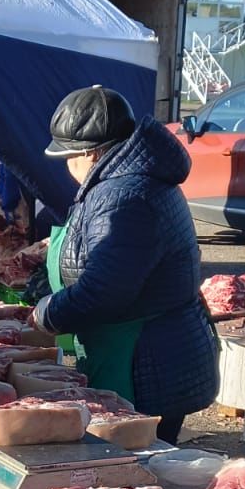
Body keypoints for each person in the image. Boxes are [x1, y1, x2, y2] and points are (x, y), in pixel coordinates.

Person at [32, 85, 218, 444]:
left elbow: (105, 289)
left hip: (145, 359)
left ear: (91, 153)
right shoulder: (126, 181)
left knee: (138, 472)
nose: (67, 166)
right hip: (138, 347)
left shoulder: (125, 195)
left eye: (68, 157)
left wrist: (47, 314)